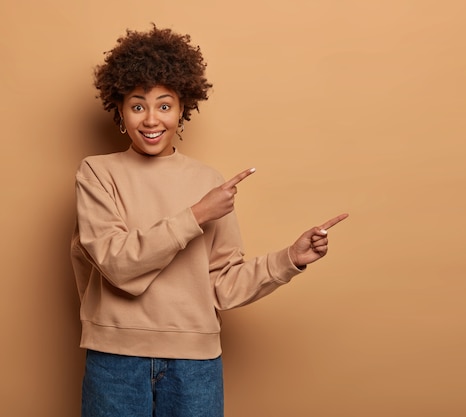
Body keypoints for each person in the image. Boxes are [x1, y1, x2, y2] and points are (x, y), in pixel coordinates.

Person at [70, 25, 348, 417]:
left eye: (164, 106)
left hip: (194, 364)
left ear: (184, 108)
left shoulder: (208, 183)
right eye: (137, 105)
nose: (151, 119)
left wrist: (290, 259)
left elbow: (222, 285)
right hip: (115, 359)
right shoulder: (97, 173)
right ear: (119, 110)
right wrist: (196, 215)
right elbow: (118, 264)